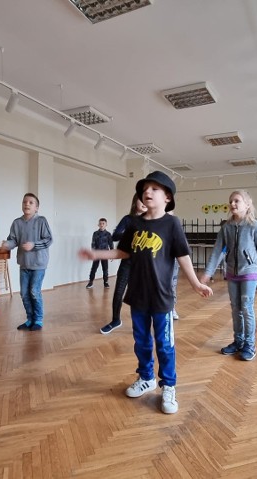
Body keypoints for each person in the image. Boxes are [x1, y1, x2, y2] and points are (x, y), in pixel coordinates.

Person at [78, 171, 212, 414]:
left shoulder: (172, 223)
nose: (147, 192)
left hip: (161, 296)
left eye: (154, 189)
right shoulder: (135, 223)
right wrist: (96, 254)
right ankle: (147, 377)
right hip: (138, 294)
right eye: (145, 189)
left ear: (168, 197)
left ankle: (168, 385)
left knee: (165, 344)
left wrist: (195, 283)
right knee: (141, 341)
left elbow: (183, 256)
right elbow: (123, 253)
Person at [200, 190, 257, 361]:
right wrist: (208, 273)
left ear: (247, 204)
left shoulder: (255, 226)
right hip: (232, 273)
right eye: (230, 201)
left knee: (246, 308)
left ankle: (249, 345)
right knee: (235, 308)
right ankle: (238, 341)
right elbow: (217, 251)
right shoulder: (226, 227)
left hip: (250, 273)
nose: (232, 204)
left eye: (237, 201)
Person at [1, 193, 53, 331]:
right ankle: (30, 319)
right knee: (24, 293)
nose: (27, 204)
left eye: (31, 202)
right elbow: (13, 240)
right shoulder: (16, 223)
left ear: (37, 208)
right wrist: (7, 244)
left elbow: (49, 240)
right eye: (25, 202)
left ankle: (39, 320)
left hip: (39, 264)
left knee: (34, 291)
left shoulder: (41, 221)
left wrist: (33, 245)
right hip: (24, 264)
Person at [99, 193, 147, 334]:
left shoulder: (151, 220)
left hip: (143, 264)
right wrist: (130, 233)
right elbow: (114, 236)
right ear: (134, 202)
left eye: (146, 199)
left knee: (140, 294)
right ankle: (115, 320)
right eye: (140, 199)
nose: (144, 202)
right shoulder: (128, 219)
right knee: (119, 291)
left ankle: (141, 323)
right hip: (127, 262)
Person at [86, 218, 112, 289]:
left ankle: (105, 282)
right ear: (98, 224)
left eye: (103, 223)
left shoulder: (108, 234)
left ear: (106, 225)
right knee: (94, 268)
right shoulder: (95, 233)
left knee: (105, 269)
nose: (101, 225)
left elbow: (111, 244)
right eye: (100, 223)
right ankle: (90, 282)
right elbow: (93, 244)